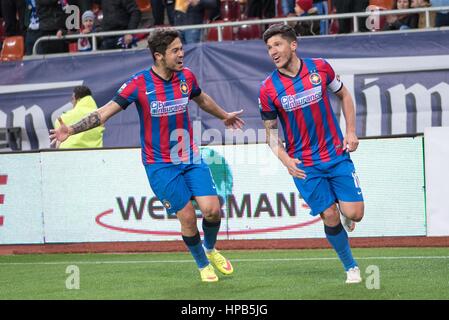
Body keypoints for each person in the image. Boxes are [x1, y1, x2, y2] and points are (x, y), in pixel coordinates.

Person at [49, 28, 244, 282]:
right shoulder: (139, 84)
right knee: (186, 216)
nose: (181, 54)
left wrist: (224, 115)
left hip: (190, 156)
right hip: (160, 164)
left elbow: (201, 99)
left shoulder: (186, 77)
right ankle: (202, 264)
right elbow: (104, 113)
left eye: (181, 48)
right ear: (158, 56)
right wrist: (71, 130)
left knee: (212, 211)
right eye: (175, 50)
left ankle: (210, 248)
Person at [258, 24, 364, 284]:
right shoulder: (268, 89)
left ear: (293, 45)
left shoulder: (320, 67)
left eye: (278, 45)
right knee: (328, 214)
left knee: (355, 214)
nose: (273, 51)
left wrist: (351, 132)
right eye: (269, 47)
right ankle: (351, 267)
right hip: (304, 163)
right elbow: (270, 134)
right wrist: (285, 160)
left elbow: (345, 96)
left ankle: (344, 213)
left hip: (336, 154)